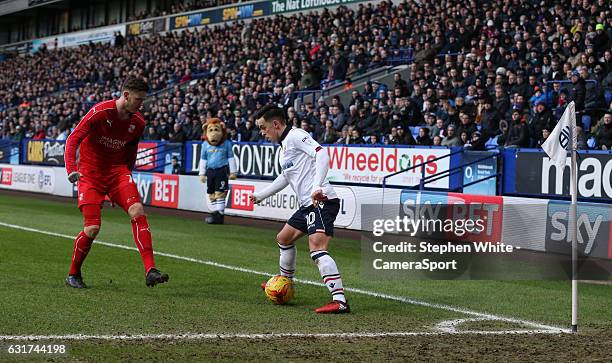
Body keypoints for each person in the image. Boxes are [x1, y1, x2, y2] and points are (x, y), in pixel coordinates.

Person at [64, 76, 169, 289]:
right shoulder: (101, 112)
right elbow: (73, 139)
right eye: (139, 99)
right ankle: (73, 274)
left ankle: (150, 270)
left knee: (137, 209)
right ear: (126, 95)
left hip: (117, 173)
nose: (141, 104)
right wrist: (71, 169)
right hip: (89, 173)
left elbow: (131, 151)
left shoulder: (138, 122)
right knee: (92, 228)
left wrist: (122, 185)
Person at [250, 105, 349, 314]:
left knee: (317, 248)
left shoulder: (296, 136)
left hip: (321, 200)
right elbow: (286, 177)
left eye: (263, 127)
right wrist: (262, 195)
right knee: (283, 238)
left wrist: (316, 186)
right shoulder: (283, 148)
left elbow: (321, 154)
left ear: (275, 124)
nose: (262, 133)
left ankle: (340, 301)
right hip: (307, 205)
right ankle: (284, 283)